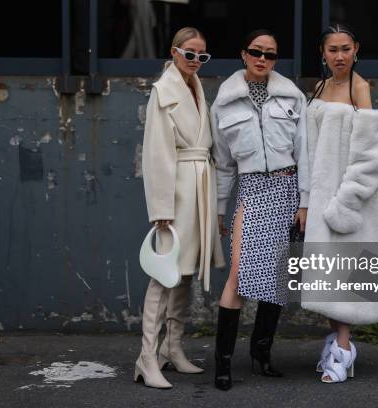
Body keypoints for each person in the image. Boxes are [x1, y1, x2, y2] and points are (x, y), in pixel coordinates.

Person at [303, 23, 378, 384]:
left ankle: (343, 350)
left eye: (345, 48)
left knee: (342, 278)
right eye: (333, 49)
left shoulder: (359, 88)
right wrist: (306, 200)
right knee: (325, 276)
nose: (339, 56)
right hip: (320, 197)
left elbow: (369, 156)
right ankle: (337, 341)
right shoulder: (319, 86)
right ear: (323, 52)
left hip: (348, 200)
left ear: (356, 49)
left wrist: (345, 202)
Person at [211, 29, 309, 391]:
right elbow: (222, 163)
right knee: (238, 276)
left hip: (286, 188)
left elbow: (305, 154)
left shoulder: (292, 97)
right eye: (256, 51)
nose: (262, 59)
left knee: (277, 277)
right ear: (243, 54)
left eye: (270, 54)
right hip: (251, 190)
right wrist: (220, 209)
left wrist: (305, 201)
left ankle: (261, 355)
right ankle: (222, 365)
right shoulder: (224, 103)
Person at [135, 26, 225, 389]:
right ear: (174, 52)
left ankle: (172, 348)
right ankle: (146, 356)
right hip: (177, 193)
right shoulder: (164, 91)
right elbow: (156, 152)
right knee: (163, 274)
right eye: (189, 54)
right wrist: (161, 207)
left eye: (201, 56)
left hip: (199, 185)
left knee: (184, 272)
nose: (195, 61)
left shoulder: (196, 88)